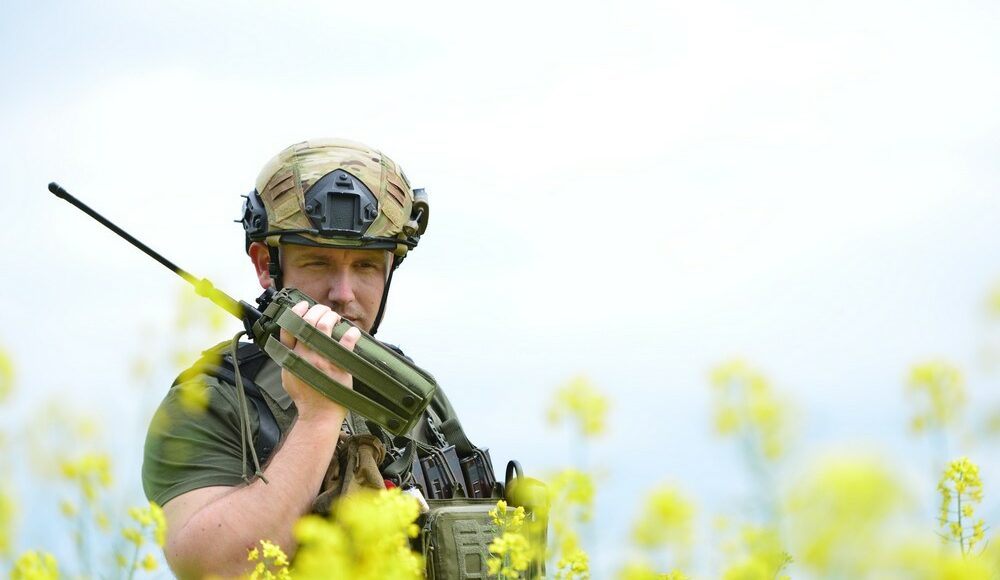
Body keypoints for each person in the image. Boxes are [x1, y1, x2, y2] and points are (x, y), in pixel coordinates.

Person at [141, 139, 494, 578]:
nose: (342, 294)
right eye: (317, 263)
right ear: (266, 266)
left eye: (365, 267)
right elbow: (217, 568)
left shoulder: (414, 394)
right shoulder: (212, 401)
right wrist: (317, 418)